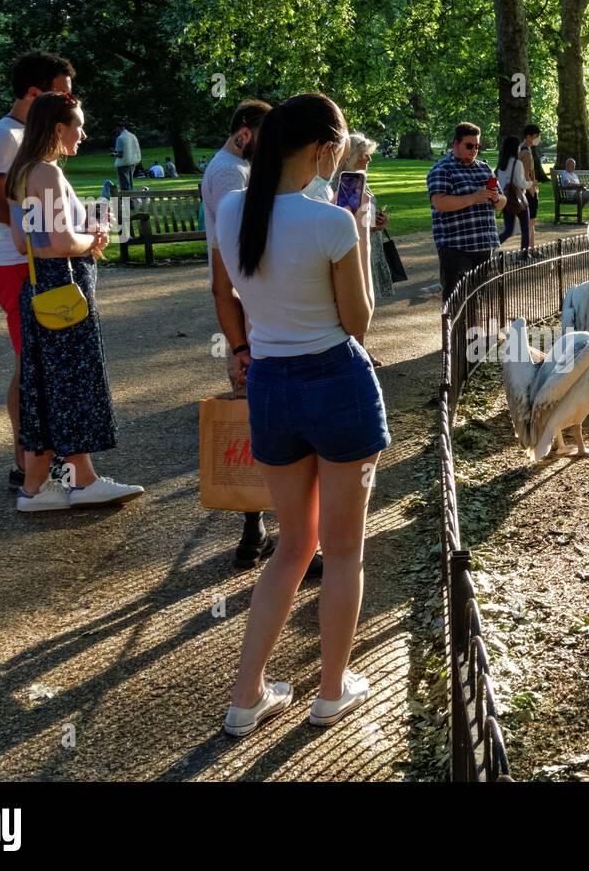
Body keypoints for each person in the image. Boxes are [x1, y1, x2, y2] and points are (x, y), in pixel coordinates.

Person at [216, 93, 389, 736]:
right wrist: (359, 231)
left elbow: (228, 292)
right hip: (334, 381)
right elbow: (359, 322)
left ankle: (246, 696)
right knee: (343, 551)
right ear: (321, 149)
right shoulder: (331, 223)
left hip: (270, 385)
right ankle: (331, 688)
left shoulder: (232, 210)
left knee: (292, 545)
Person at [4, 91, 143, 511]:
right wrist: (96, 238)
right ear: (57, 127)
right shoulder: (45, 173)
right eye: (78, 125)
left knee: (49, 385)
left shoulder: (21, 171)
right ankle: (76, 482)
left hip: (40, 288)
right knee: (71, 383)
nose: (83, 133)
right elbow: (61, 242)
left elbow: (24, 240)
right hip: (63, 292)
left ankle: (44, 485)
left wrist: (83, 232)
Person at [204, 98, 320, 572]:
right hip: (264, 327)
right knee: (287, 435)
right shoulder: (232, 178)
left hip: (257, 327)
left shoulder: (228, 172)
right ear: (248, 133)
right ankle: (289, 541)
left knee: (264, 428)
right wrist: (239, 345)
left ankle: (257, 533)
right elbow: (224, 280)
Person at [0, 50, 76, 493]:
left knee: (37, 364)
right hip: (19, 263)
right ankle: (25, 463)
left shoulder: (31, 136)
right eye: (61, 94)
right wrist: (40, 229)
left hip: (37, 260)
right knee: (32, 366)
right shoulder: (5, 137)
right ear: (34, 94)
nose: (69, 104)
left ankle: (35, 460)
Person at [333, 131, 396, 363]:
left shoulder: (359, 179)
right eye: (364, 154)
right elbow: (346, 219)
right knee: (355, 300)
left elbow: (361, 219)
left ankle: (360, 348)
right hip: (353, 250)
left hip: (367, 246)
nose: (368, 159)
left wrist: (378, 223)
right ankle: (356, 352)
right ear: (350, 156)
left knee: (366, 301)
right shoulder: (342, 182)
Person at [427, 122, 505, 299]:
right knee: (455, 302)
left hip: (484, 245)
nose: (474, 150)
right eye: (469, 146)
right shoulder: (442, 169)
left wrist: (495, 198)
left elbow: (502, 202)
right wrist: (474, 197)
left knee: (478, 300)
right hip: (456, 247)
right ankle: (454, 328)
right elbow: (439, 202)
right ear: (456, 144)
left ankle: (473, 327)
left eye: (477, 146)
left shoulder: (484, 168)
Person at [495, 134, 529, 248]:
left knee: (508, 230)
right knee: (525, 229)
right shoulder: (517, 163)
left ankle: (492, 246)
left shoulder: (501, 165)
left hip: (506, 200)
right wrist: (531, 184)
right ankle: (524, 253)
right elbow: (520, 183)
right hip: (518, 198)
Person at [520, 124, 542, 252]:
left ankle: (531, 248)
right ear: (529, 136)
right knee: (530, 222)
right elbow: (525, 173)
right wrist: (532, 190)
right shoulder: (526, 152)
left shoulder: (523, 149)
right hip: (529, 190)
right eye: (536, 136)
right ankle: (528, 249)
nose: (538, 139)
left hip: (527, 189)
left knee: (531, 222)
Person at [113, 125, 141, 191]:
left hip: (123, 163)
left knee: (124, 184)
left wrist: (114, 154)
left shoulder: (120, 138)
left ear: (118, 127)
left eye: (115, 129)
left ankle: (126, 200)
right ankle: (131, 199)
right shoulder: (132, 136)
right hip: (133, 162)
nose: (115, 131)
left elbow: (120, 154)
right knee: (130, 183)